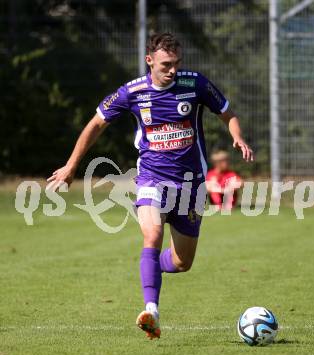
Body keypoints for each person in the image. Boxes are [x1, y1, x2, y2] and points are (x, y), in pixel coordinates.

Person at [47, 32, 254, 339]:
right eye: (166, 64)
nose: (172, 70)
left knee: (183, 263)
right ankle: (152, 311)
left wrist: (236, 135)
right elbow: (96, 124)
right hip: (151, 179)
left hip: (191, 185)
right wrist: (71, 165)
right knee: (153, 234)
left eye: (177, 63)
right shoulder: (132, 92)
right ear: (150, 61)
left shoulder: (194, 84)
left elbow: (227, 113)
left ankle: (151, 267)